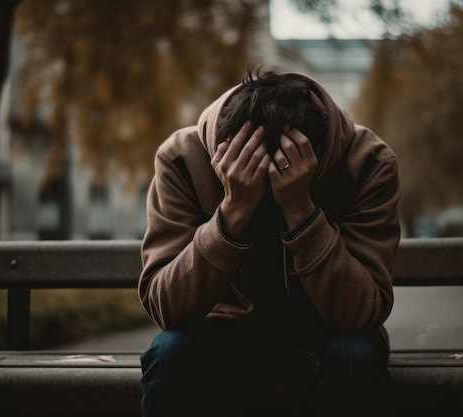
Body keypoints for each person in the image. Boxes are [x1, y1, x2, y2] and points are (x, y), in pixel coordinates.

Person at [138, 66, 401, 416]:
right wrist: (232, 212)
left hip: (326, 331)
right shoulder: (182, 160)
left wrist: (300, 209)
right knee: (169, 352)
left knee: (356, 356)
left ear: (317, 156)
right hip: (222, 331)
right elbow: (166, 308)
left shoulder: (367, 162)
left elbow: (362, 312)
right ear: (223, 153)